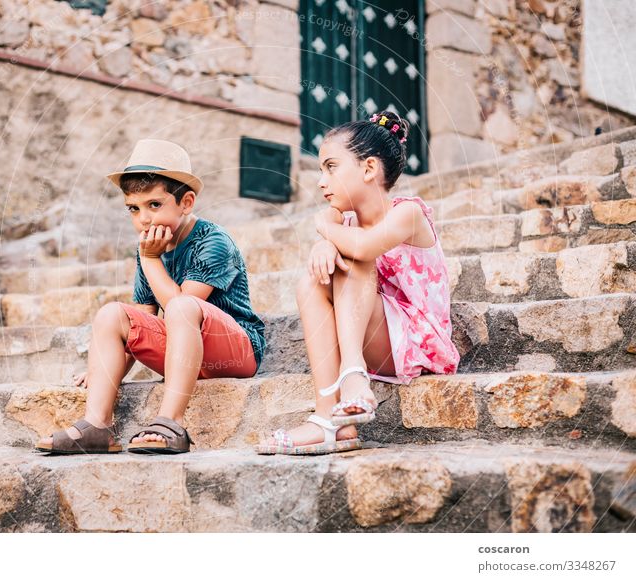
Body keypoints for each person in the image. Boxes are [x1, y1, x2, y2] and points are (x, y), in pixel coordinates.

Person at [35, 139, 266, 455]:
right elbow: (139, 322)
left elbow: (179, 308)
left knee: (183, 306)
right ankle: (98, 426)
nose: (143, 219)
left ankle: (171, 422)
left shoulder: (213, 242)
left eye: (154, 205)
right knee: (111, 314)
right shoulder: (150, 248)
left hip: (234, 353)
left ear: (186, 202)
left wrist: (150, 260)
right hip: (181, 357)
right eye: (134, 208)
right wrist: (104, 368)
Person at [256, 111, 460, 455]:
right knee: (310, 284)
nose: (321, 181)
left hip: (415, 340)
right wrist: (326, 241)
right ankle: (328, 420)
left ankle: (353, 374)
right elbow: (343, 235)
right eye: (321, 169)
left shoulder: (408, 213)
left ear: (368, 169)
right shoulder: (345, 221)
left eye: (331, 167)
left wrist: (325, 230)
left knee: (354, 256)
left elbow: (363, 247)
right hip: (375, 334)